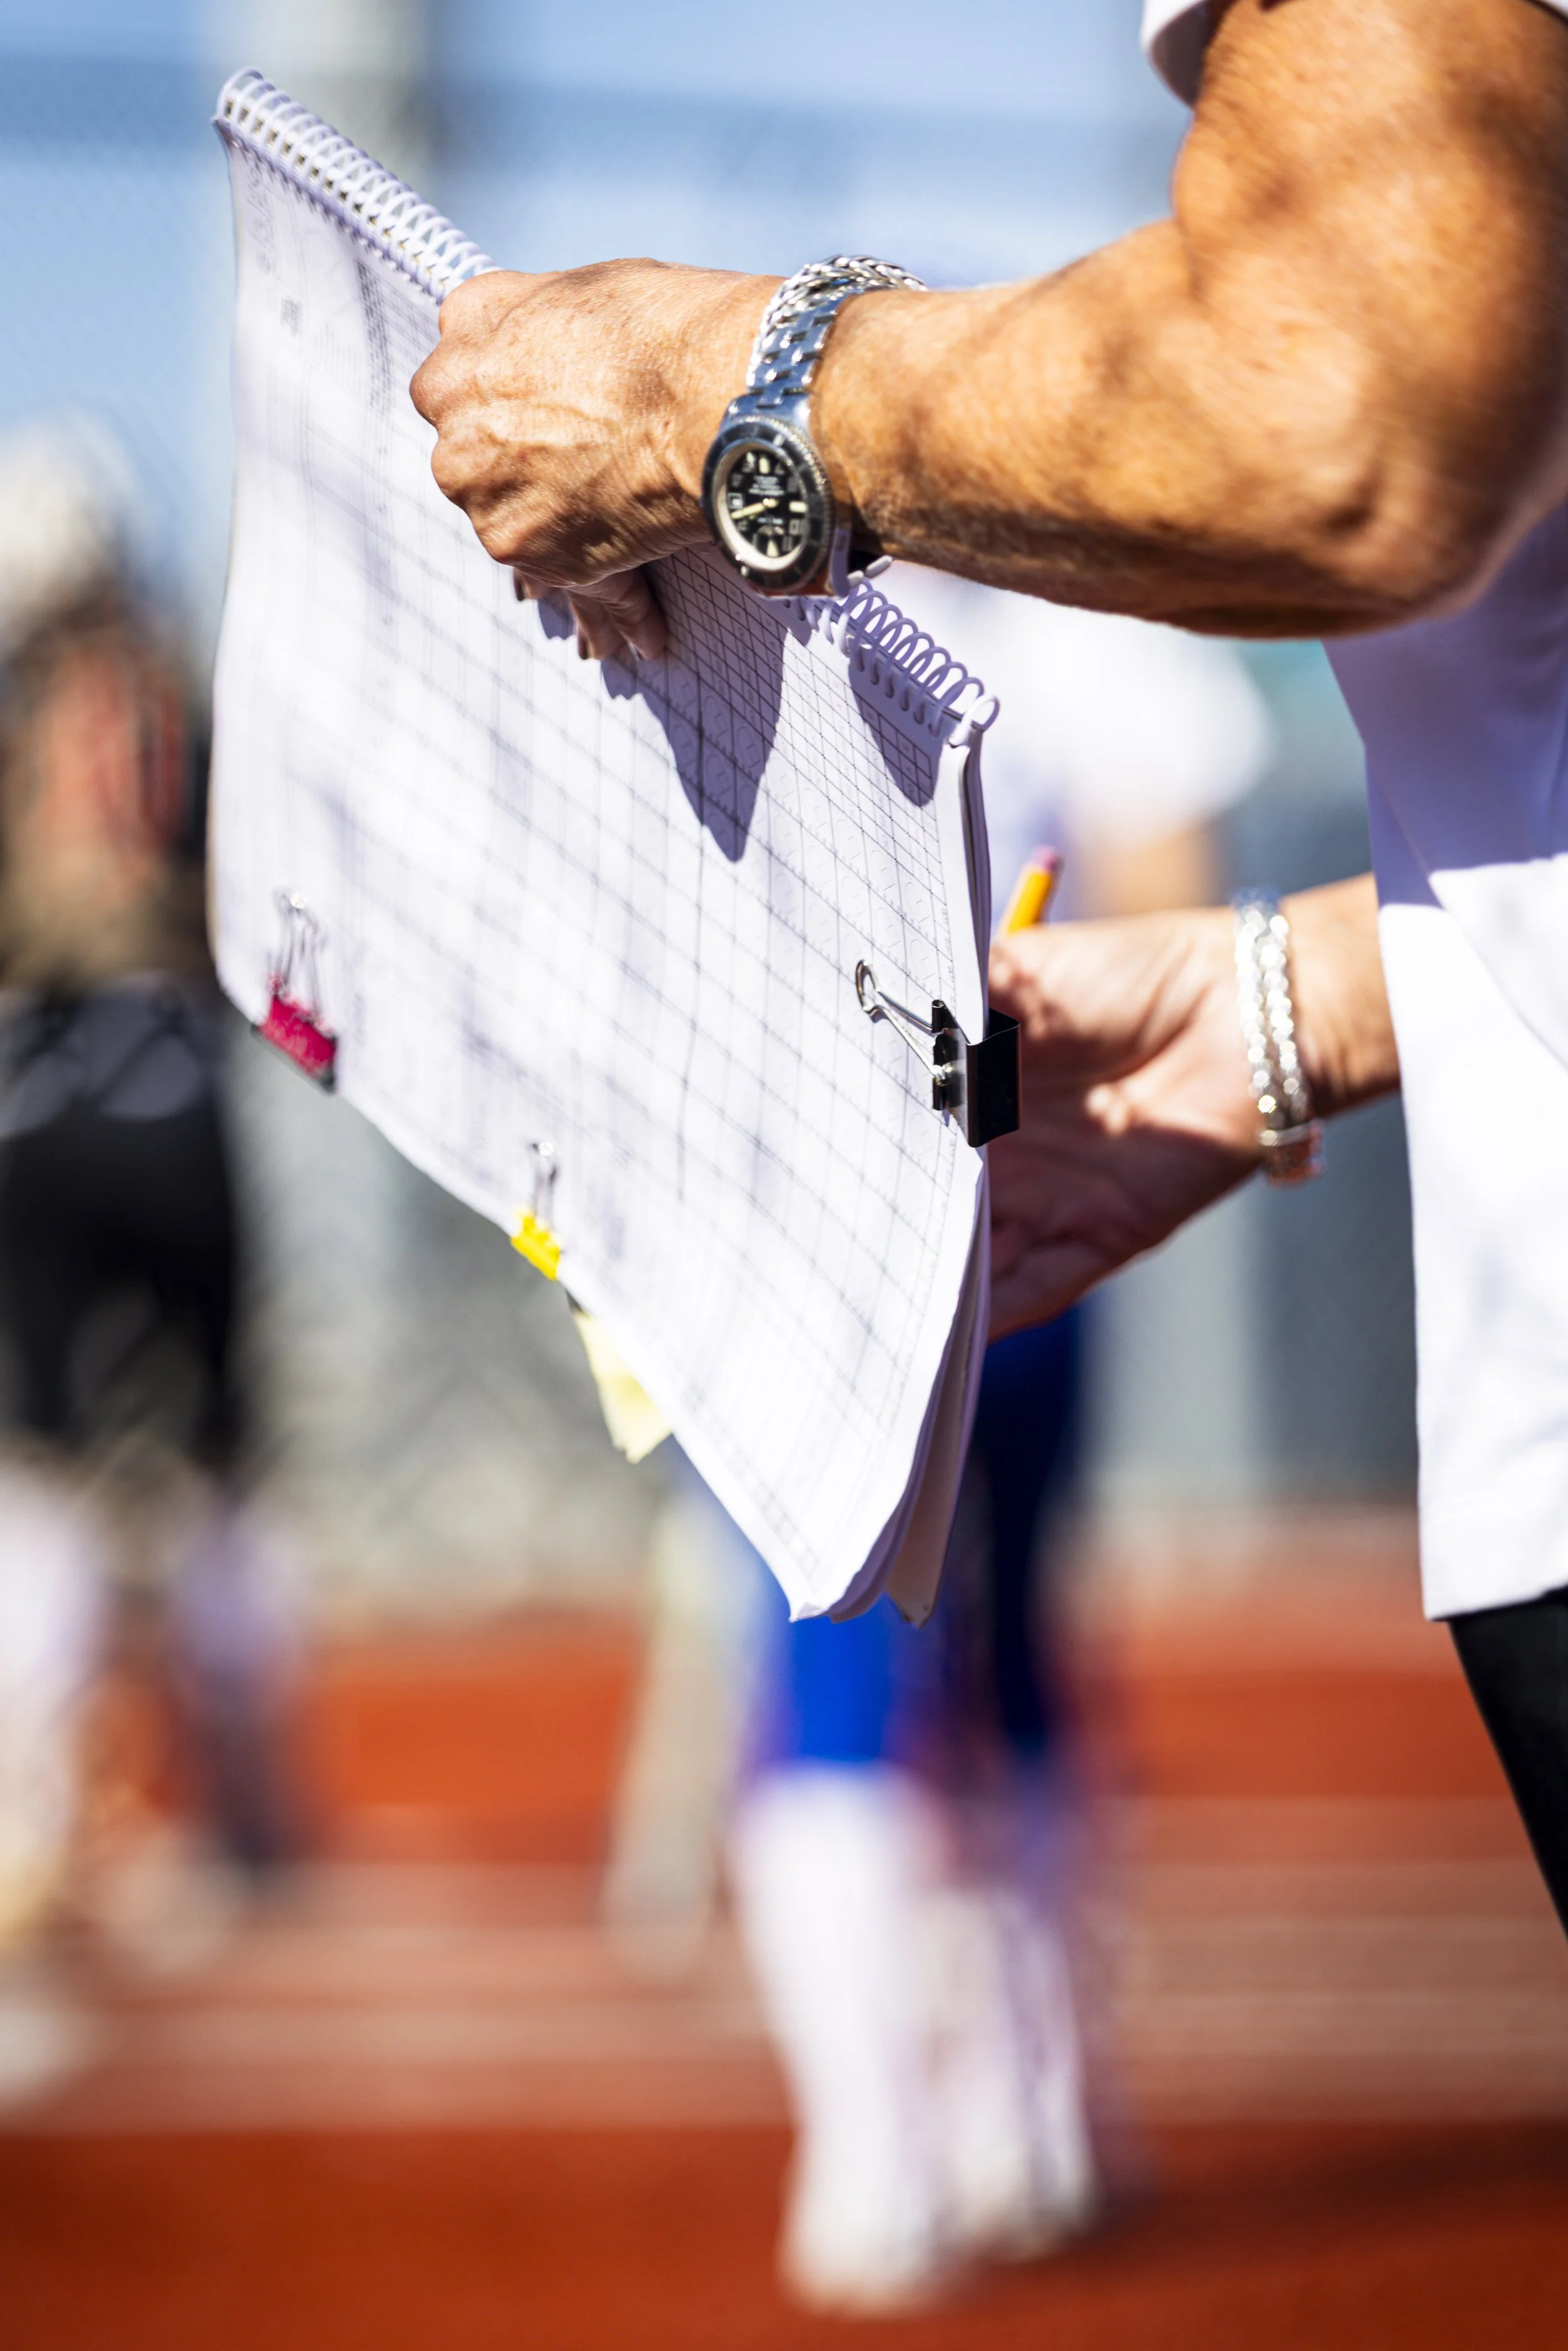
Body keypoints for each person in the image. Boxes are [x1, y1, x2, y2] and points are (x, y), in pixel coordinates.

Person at [408, 0, 1568, 1932]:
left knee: (900, 1672)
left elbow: (1331, 414)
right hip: (978, 1137)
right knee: (967, 1660)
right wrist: (1305, 998)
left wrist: (721, 385)